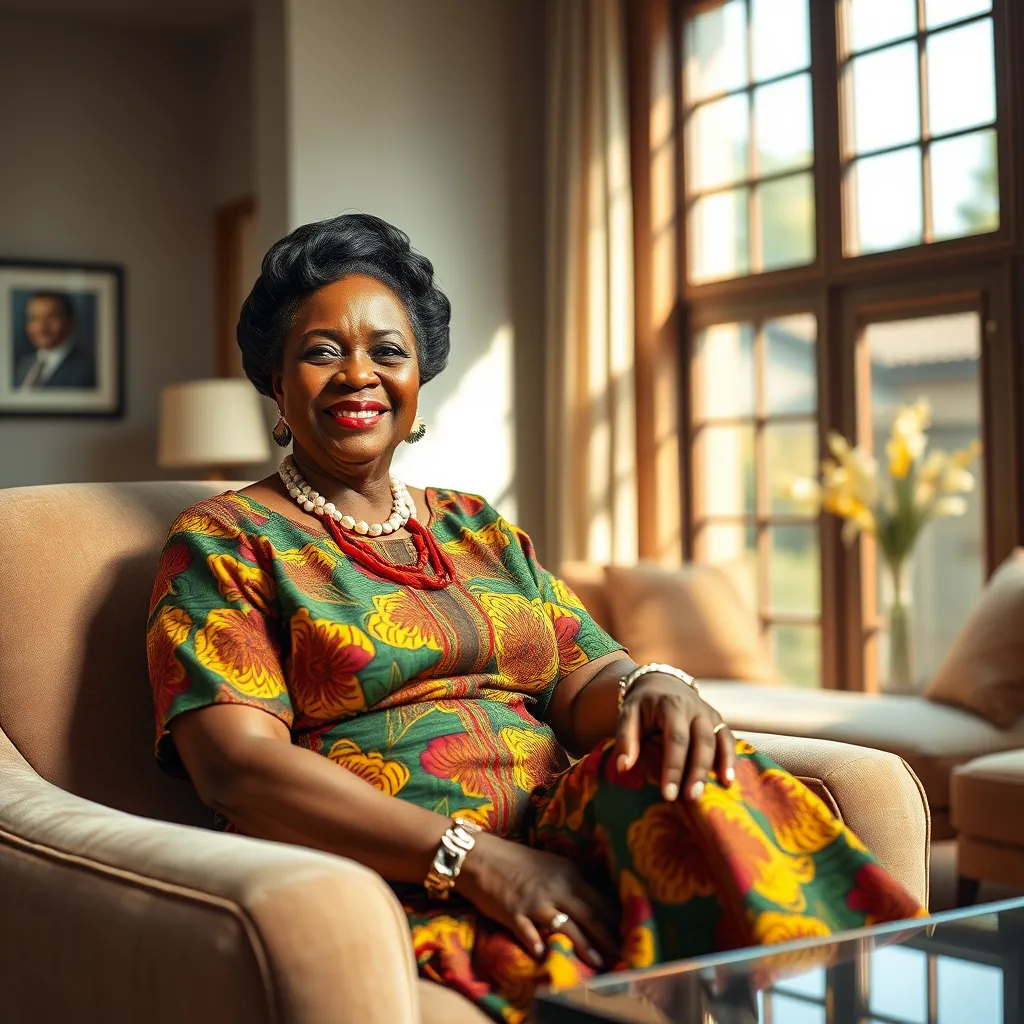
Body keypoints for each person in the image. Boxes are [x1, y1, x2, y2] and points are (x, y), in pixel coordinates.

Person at [147, 213, 924, 1023]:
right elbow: (235, 769)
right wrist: (477, 861)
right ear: (276, 382)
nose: (358, 375)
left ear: (416, 383)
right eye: (320, 351)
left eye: (387, 350)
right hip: (398, 867)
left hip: (566, 833)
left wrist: (652, 689)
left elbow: (587, 675)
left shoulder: (474, 526)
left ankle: (858, 996)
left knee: (695, 768)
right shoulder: (226, 541)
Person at [14, 291, 96, 389]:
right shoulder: (23, 366)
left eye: (51, 317)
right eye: (34, 319)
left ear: (70, 321)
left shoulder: (88, 369)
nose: (42, 328)